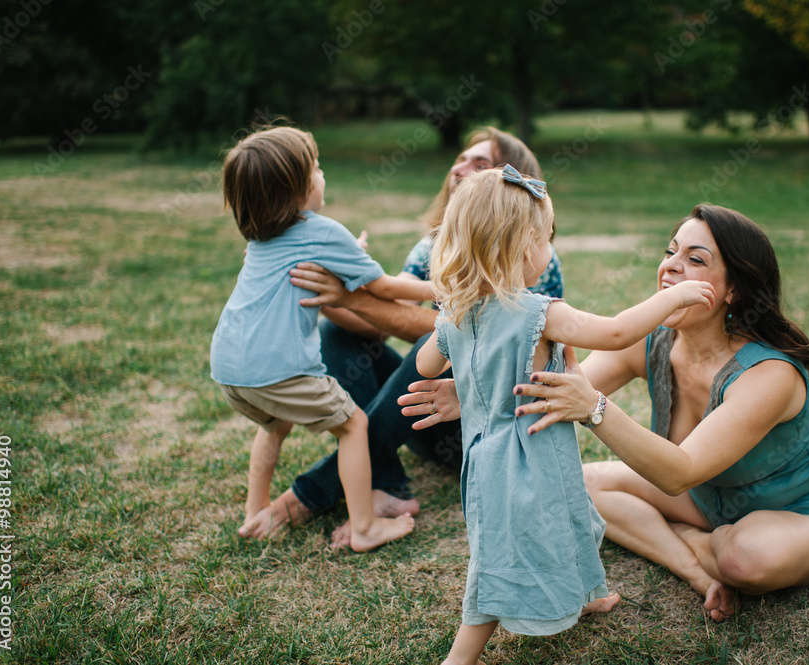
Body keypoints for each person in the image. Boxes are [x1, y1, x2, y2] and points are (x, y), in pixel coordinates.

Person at [405, 203, 809, 622]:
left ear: (734, 290)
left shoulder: (769, 375)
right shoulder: (655, 341)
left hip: (802, 515)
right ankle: (693, 564)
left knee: (744, 560)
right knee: (582, 485)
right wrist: (475, 392)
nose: (671, 265)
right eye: (671, 252)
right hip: (708, 500)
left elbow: (679, 472)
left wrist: (594, 409)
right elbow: (554, 388)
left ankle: (693, 541)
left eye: (696, 259)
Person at [417, 166, 716, 664]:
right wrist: (672, 298)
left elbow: (427, 365)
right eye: (547, 238)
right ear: (524, 247)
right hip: (526, 459)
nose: (550, 249)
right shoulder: (540, 312)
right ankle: (460, 658)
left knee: (575, 521)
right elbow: (616, 332)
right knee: (499, 559)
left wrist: (454, 326)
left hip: (491, 459)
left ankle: (585, 595)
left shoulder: (457, 314)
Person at [243, 128, 564, 542]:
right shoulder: (432, 247)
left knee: (434, 342)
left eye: (480, 163)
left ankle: (311, 493)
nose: (460, 168)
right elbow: (382, 320)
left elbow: (471, 332)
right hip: (427, 414)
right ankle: (386, 485)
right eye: (461, 158)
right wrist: (323, 292)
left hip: (485, 423)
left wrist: (351, 297)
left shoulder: (534, 255)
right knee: (338, 334)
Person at [212, 126, 431, 550]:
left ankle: (254, 511)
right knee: (353, 424)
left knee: (274, 426)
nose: (322, 174)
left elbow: (322, 259)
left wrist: (350, 251)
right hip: (279, 369)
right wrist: (444, 288)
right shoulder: (324, 231)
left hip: (228, 367)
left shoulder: (260, 238)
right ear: (297, 190)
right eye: (316, 168)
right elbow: (385, 287)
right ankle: (365, 526)